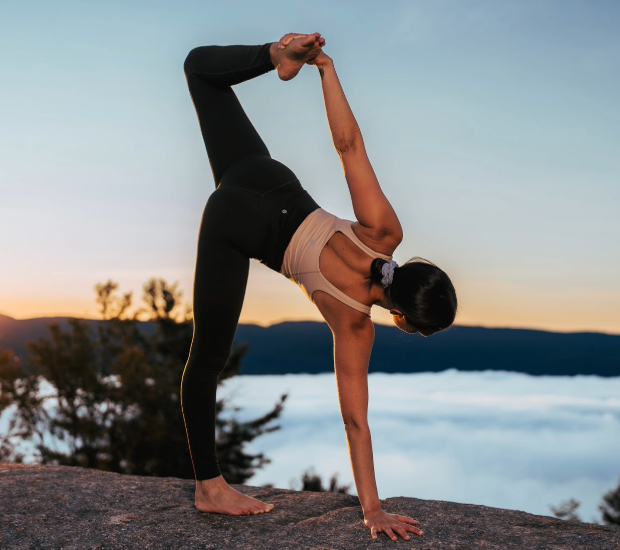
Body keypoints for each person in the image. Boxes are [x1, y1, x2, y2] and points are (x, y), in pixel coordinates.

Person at [180, 32, 456, 542]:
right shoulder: (354, 324)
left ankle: (274, 56)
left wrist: (325, 70)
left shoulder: (385, 234)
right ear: (407, 320)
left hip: (265, 177)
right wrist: (373, 511)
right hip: (239, 221)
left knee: (198, 68)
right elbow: (356, 425)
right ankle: (209, 487)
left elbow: (348, 145)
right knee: (206, 359)